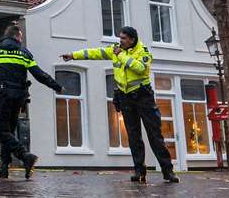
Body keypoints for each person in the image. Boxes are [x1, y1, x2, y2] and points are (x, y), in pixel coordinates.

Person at [61, 25, 178, 184]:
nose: (120, 41)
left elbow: (140, 68)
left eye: (123, 38)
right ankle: (139, 171)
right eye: (120, 38)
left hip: (143, 96)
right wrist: (73, 55)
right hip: (125, 97)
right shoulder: (115, 49)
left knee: (154, 135)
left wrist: (122, 55)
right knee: (133, 136)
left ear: (132, 40)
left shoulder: (143, 52)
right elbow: (95, 53)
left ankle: (168, 171)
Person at [0, 24, 63, 180]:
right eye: (21, 38)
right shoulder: (24, 54)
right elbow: (39, 74)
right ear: (17, 37)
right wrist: (56, 86)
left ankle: (25, 156)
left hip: (2, 97)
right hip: (19, 99)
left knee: (0, 129)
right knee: (8, 130)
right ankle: (4, 167)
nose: (21, 40)